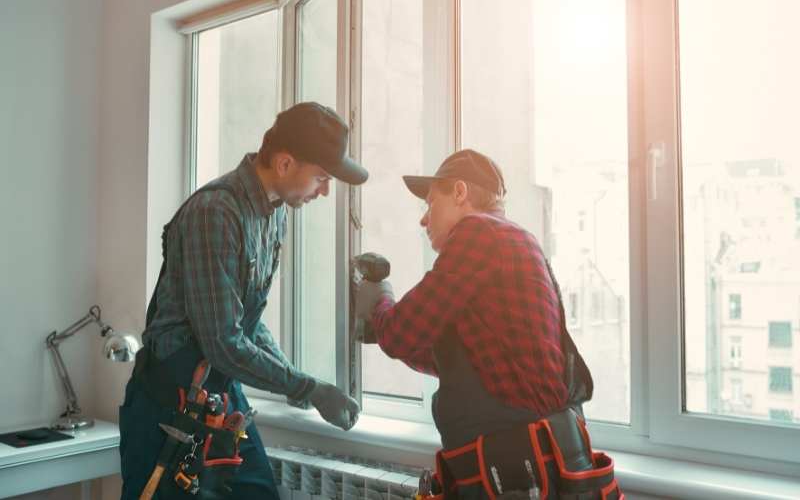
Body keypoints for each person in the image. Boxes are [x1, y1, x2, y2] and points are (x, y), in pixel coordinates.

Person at [120, 102, 365, 500]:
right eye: (321, 178)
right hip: (169, 404)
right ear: (285, 164)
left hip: (219, 394)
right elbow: (224, 342)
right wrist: (308, 389)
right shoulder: (215, 212)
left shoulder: (274, 213)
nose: (324, 191)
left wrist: (292, 381)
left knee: (259, 492)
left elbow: (247, 322)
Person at [355, 149, 620, 500]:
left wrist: (379, 300)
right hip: (540, 462)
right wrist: (381, 325)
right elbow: (455, 358)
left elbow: (402, 334)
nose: (424, 220)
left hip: (516, 464)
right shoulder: (518, 241)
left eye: (431, 204)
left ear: (460, 193)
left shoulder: (479, 233)